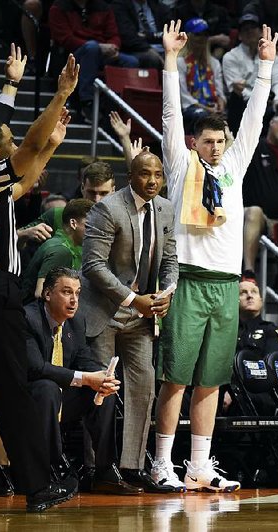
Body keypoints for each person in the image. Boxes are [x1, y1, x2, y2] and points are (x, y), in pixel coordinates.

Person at [153, 20, 277, 492]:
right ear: (193, 144)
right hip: (188, 279)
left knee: (210, 382)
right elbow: (169, 116)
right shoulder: (181, 165)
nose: (216, 147)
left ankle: (199, 466)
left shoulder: (234, 167)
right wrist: (170, 61)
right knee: (177, 379)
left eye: (221, 141)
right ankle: (163, 462)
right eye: (208, 141)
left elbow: (255, 118)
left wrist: (265, 66)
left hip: (226, 285)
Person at [0, 50, 79, 513]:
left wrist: (53, 145)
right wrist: (59, 93)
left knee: (9, 392)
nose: (11, 139)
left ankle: (35, 484)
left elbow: (25, 174)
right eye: (4, 138)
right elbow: (25, 151)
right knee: (13, 393)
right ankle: (38, 487)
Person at [80, 151, 178, 493]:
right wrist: (133, 298)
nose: (152, 181)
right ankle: (99, 469)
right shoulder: (107, 208)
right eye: (144, 174)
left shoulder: (165, 209)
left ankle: (132, 466)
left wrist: (166, 292)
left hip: (143, 314)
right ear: (130, 175)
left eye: (157, 175)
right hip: (104, 311)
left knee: (143, 387)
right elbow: (93, 266)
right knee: (103, 390)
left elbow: (170, 260)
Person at [25, 268, 131, 495]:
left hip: (62, 397)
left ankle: (104, 470)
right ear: (47, 294)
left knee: (104, 391)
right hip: (30, 400)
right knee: (48, 388)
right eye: (66, 292)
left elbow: (83, 359)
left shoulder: (76, 321)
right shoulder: (28, 318)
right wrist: (85, 378)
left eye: (78, 293)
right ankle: (51, 469)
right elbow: (35, 368)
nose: (74, 300)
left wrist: (102, 377)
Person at [48, 0, 140, 121]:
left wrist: (113, 46)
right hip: (73, 55)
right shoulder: (58, 7)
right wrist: (99, 47)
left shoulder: (103, 6)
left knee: (131, 61)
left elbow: (114, 34)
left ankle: (124, 106)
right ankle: (87, 102)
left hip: (103, 52)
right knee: (91, 48)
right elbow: (65, 39)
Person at [241, 109, 278, 272]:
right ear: (271, 123)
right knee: (255, 212)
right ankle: (249, 272)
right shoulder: (253, 148)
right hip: (256, 217)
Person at [222, 14, 278, 135]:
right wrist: (260, 99)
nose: (249, 32)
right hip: (243, 103)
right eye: (245, 29)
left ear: (260, 32)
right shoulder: (230, 57)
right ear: (240, 35)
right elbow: (236, 87)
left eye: (253, 28)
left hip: (269, 101)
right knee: (237, 97)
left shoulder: (272, 55)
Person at [21, 198, 94, 303]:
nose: (94, 230)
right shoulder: (61, 251)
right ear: (73, 223)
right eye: (90, 225)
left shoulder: (62, 245)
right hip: (35, 315)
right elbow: (40, 293)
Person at [178, 18, 226, 134]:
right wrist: (208, 109)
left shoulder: (214, 63)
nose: (202, 38)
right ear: (188, 37)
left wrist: (221, 104)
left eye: (205, 35)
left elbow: (220, 92)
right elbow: (183, 97)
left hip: (211, 106)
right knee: (202, 115)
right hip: (190, 108)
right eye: (198, 35)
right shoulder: (180, 62)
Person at [110, 0, 168, 68]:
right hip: (137, 49)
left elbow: (171, 33)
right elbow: (128, 37)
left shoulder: (159, 6)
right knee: (151, 58)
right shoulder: (120, 5)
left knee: (178, 58)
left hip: (163, 46)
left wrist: (148, 35)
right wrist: (148, 49)